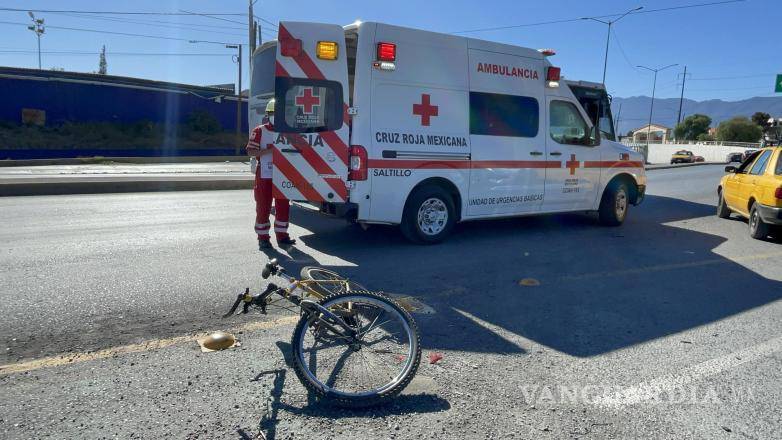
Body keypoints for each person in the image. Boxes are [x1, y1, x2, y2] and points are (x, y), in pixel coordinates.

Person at [246, 98, 296, 249]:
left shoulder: (288, 131)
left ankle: (282, 236)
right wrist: (270, 150)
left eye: (278, 113)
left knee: (283, 206)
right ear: (268, 114)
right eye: (273, 113)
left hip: (283, 175)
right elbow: (250, 150)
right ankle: (263, 238)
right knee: (263, 206)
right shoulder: (260, 131)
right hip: (265, 174)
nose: (276, 116)